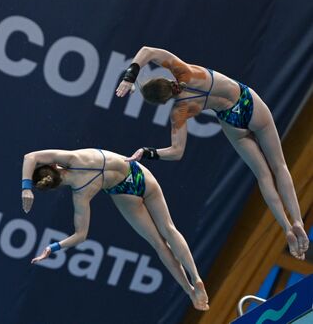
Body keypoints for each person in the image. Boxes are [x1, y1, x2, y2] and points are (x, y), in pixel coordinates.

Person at [115, 46, 309, 260]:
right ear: (164, 80)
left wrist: (147, 152)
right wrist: (130, 77)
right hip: (246, 102)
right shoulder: (183, 71)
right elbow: (147, 51)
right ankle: (298, 221)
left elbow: (176, 152)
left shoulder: (180, 110)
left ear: (163, 101)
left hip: (231, 121)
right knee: (278, 166)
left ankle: (285, 226)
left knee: (263, 174)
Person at [21, 148, 209, 311]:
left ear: (54, 187)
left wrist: (52, 248)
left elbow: (80, 235)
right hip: (137, 174)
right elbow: (31, 157)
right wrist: (26, 189)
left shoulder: (80, 195)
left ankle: (190, 291)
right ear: (54, 166)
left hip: (123, 193)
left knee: (159, 245)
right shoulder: (73, 158)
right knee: (169, 228)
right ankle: (196, 276)